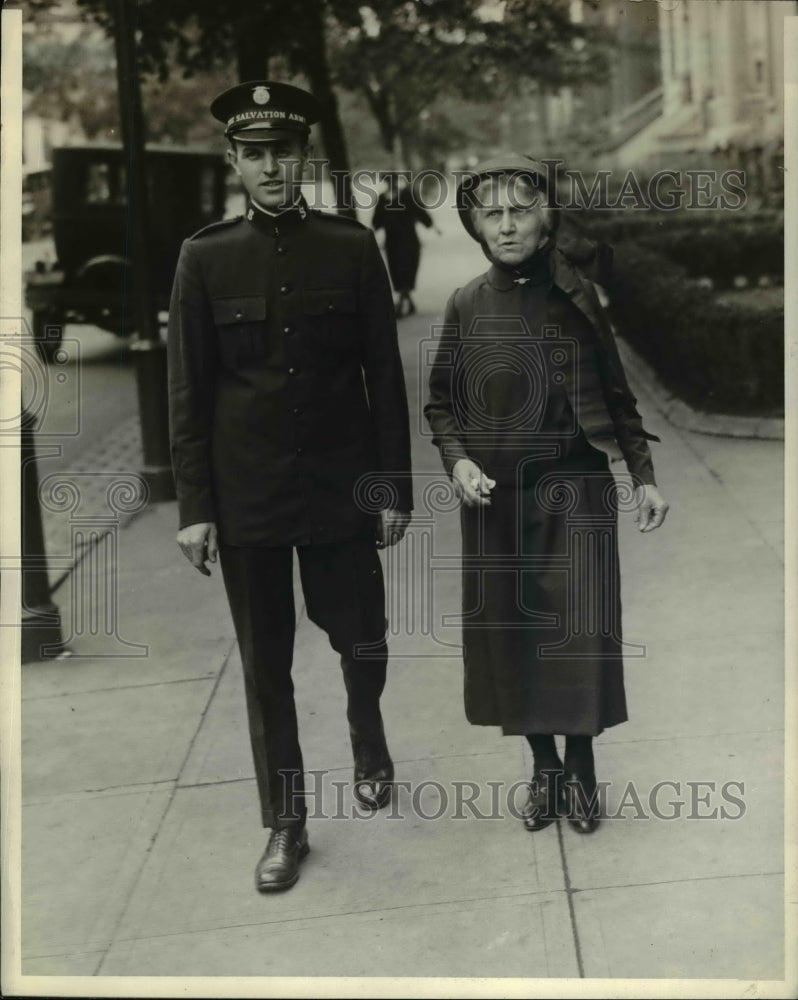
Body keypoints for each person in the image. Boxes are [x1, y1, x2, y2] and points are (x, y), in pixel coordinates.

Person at [167, 81, 413, 891]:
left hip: (342, 485)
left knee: (363, 636)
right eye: (256, 154)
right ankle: (286, 822)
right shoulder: (204, 257)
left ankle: (367, 732)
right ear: (234, 162)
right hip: (249, 497)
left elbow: (384, 376)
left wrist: (393, 487)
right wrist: (195, 509)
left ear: (304, 157)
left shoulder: (351, 247)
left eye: (283, 152)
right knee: (265, 665)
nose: (271, 167)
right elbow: (187, 393)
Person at [424, 155, 669, 835]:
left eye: (520, 211)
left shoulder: (577, 297)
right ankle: (544, 769)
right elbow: (441, 404)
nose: (506, 225)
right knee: (515, 637)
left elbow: (617, 394)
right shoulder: (467, 303)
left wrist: (643, 476)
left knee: (580, 635)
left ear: (545, 219)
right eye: (491, 214)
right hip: (497, 500)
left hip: (577, 490)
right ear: (476, 225)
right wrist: (458, 461)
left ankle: (582, 769)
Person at [372, 174, 439, 318]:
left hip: (408, 241)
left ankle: (400, 304)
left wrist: (432, 225)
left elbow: (419, 211)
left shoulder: (407, 195)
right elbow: (376, 220)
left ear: (396, 181)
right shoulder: (382, 198)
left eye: (393, 180)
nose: (391, 183)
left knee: (406, 269)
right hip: (392, 242)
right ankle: (409, 302)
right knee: (396, 271)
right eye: (388, 181)